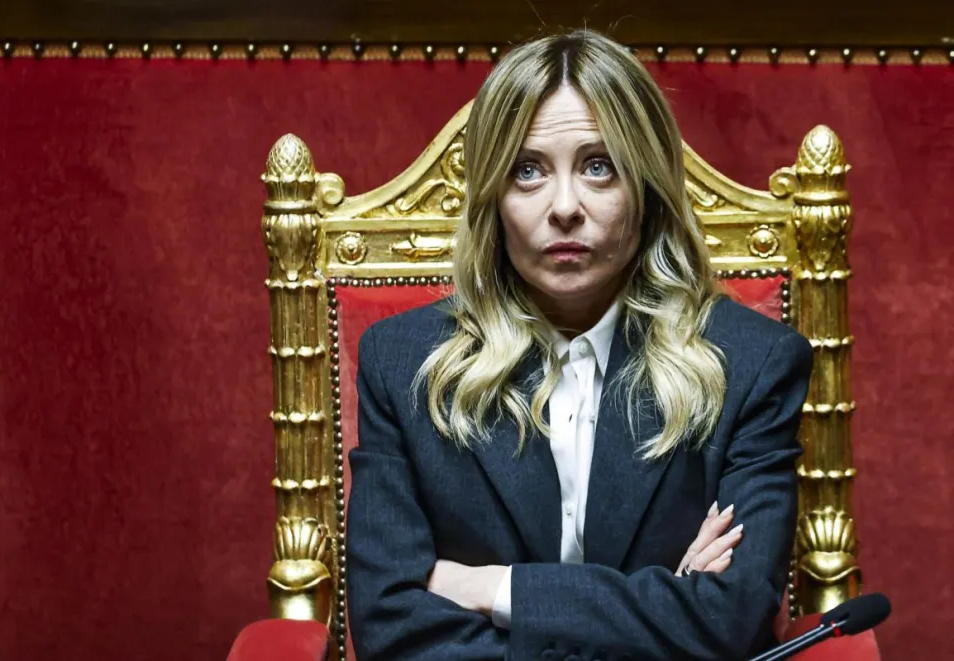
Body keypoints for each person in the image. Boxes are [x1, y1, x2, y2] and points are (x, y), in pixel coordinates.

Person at [345, 29, 813, 661]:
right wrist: (662, 611)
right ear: (492, 196)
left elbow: (730, 619)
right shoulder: (402, 364)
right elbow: (389, 628)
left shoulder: (753, 365)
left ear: (646, 188)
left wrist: (492, 589)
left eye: (599, 166)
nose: (564, 207)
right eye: (528, 171)